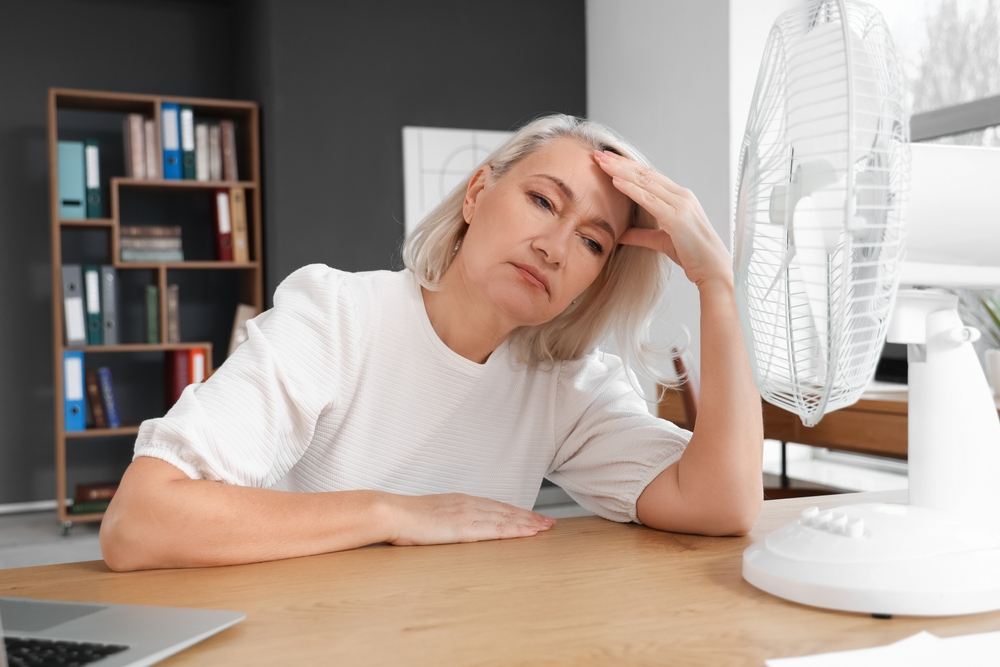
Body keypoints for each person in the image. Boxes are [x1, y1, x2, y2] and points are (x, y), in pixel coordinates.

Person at [100, 115, 763, 572]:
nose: (555, 247)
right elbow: (139, 519)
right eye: (542, 200)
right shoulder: (338, 315)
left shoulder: (570, 384)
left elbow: (724, 504)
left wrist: (717, 284)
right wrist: (391, 513)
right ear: (478, 192)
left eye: (593, 241)